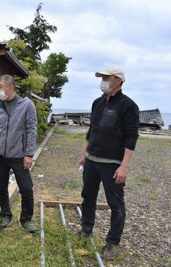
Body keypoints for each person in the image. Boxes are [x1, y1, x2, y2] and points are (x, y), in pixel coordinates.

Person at [78, 66, 140, 260]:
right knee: (88, 197)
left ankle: (112, 242)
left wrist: (124, 166)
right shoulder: (97, 103)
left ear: (118, 81)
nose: (103, 80)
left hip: (112, 163)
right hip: (92, 160)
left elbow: (131, 138)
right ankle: (86, 229)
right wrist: (83, 154)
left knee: (116, 204)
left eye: (106, 77)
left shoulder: (128, 106)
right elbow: (91, 131)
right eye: (102, 77)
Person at [0, 74, 38, 235]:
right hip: (1, 156)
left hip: (19, 156)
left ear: (10, 88)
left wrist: (29, 154)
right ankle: (5, 214)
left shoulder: (27, 105)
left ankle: (26, 220)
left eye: (0, 86)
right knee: (1, 187)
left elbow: (31, 129)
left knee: (26, 189)